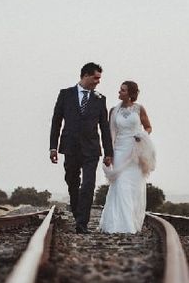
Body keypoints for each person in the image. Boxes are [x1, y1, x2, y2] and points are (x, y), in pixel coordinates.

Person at [49, 63, 114, 234]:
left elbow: (104, 127)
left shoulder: (100, 99)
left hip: (92, 149)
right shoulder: (65, 95)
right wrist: (53, 148)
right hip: (70, 146)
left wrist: (109, 152)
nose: (98, 82)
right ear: (85, 75)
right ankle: (77, 211)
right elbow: (56, 122)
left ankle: (82, 223)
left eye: (99, 78)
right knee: (72, 181)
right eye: (96, 78)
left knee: (88, 184)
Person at [99, 81, 156, 234]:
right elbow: (110, 134)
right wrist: (109, 154)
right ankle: (120, 225)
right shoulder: (113, 111)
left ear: (131, 93)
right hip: (119, 151)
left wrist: (142, 135)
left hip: (136, 152)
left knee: (134, 188)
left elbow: (148, 127)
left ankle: (131, 221)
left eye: (123, 90)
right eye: (120, 89)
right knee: (120, 185)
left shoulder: (139, 109)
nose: (120, 92)